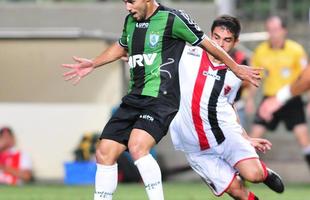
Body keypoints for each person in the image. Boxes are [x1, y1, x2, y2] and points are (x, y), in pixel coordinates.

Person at [62, 1, 261, 199]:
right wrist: (94, 63)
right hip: (134, 97)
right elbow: (122, 45)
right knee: (104, 152)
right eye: (125, 2)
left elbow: (208, 44)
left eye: (131, 2)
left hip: (161, 97)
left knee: (137, 146)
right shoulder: (130, 20)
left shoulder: (173, 19)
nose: (128, 7)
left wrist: (235, 67)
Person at [169, 15, 284, 200]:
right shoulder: (187, 54)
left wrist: (246, 138)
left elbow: (228, 105)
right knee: (238, 191)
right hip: (196, 146)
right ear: (209, 36)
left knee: (253, 175)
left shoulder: (235, 73)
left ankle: (264, 173)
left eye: (227, 40)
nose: (220, 44)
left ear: (236, 42)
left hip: (225, 136)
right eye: (216, 37)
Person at [245, 16, 310, 169]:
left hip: (292, 100)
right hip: (269, 99)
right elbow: (255, 79)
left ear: (284, 31)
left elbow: (305, 79)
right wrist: (249, 99)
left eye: (275, 30)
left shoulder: (296, 50)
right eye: (269, 30)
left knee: (303, 138)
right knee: (253, 136)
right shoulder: (261, 51)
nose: (272, 34)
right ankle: (245, 174)